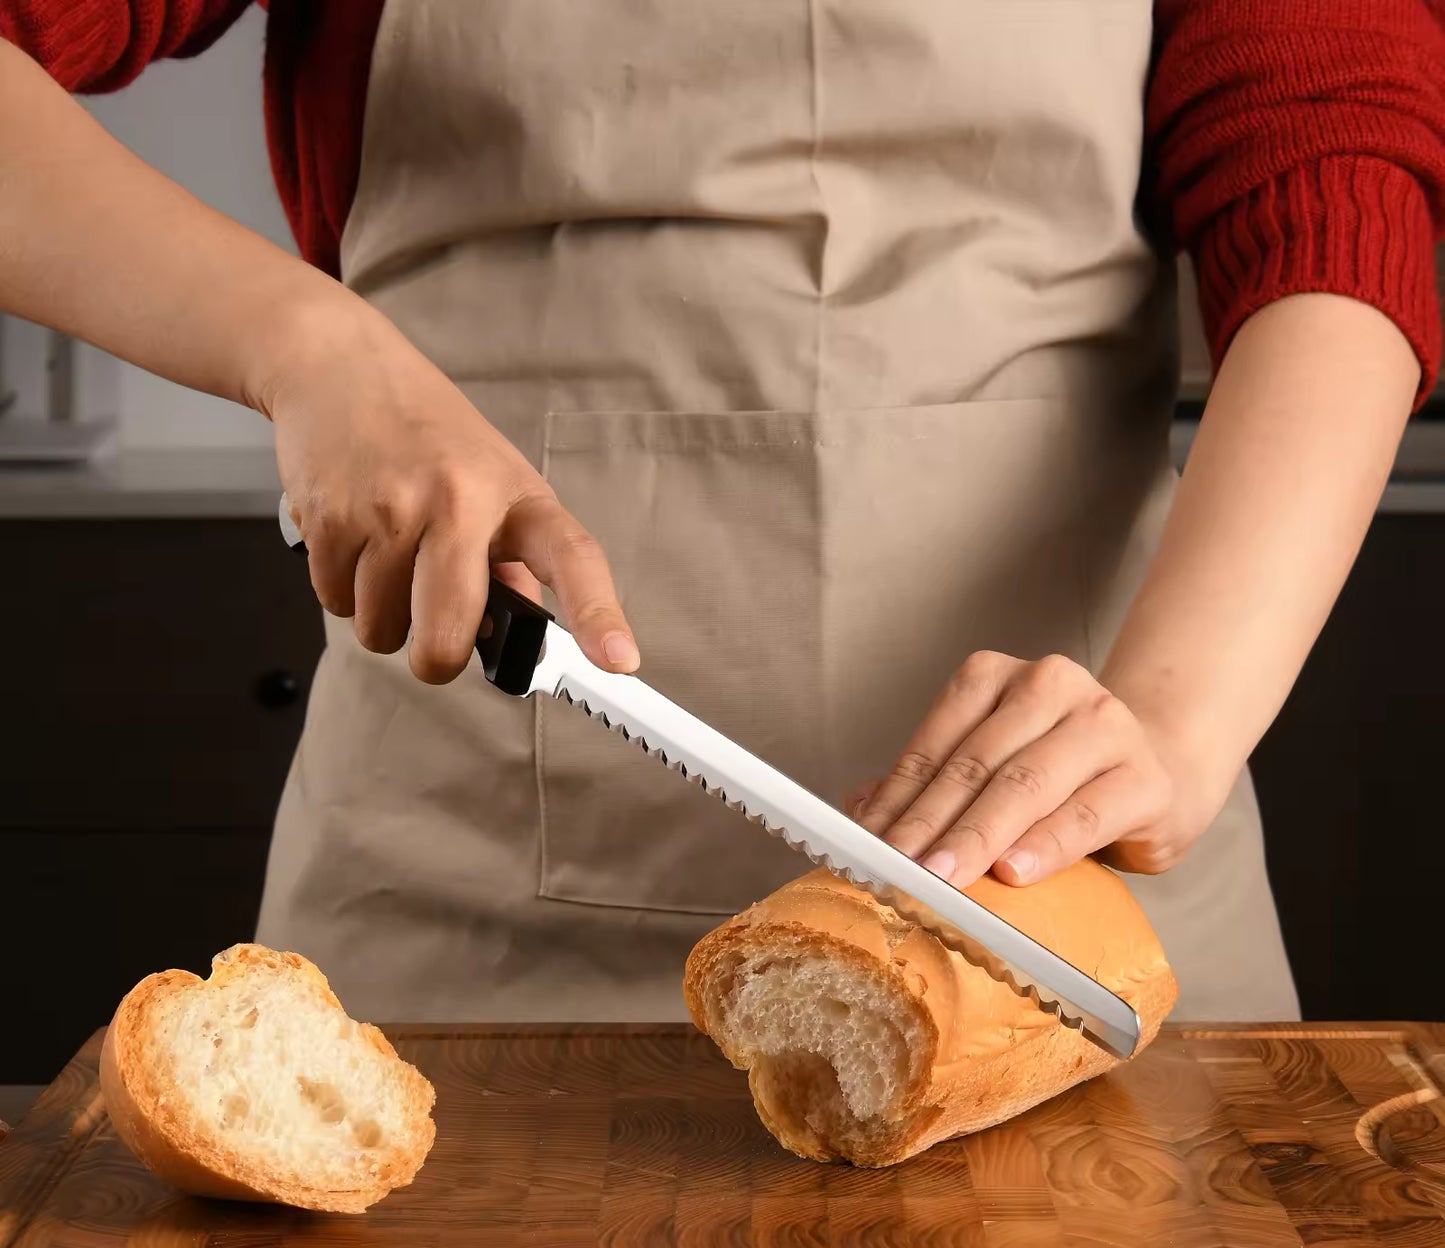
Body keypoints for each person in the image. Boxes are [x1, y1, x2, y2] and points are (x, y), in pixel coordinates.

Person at [2, 1, 1442, 1027]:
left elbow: (1334, 183)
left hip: (1063, 913)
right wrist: (302, 345)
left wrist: (1179, 721)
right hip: (458, 930)